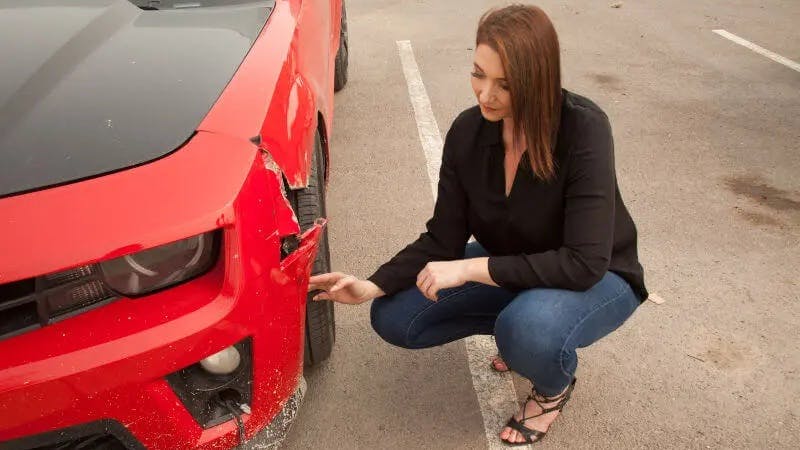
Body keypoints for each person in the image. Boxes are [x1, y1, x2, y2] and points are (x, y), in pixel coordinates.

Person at [308, 4, 647, 446]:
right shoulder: (469, 133)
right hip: (517, 267)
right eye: (478, 74)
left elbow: (583, 263)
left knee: (528, 329)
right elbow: (443, 236)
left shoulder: (583, 129)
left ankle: (551, 386)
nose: (485, 94)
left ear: (537, 78)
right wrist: (371, 284)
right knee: (394, 316)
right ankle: (521, 331)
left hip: (600, 276)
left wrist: (470, 269)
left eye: (504, 84)